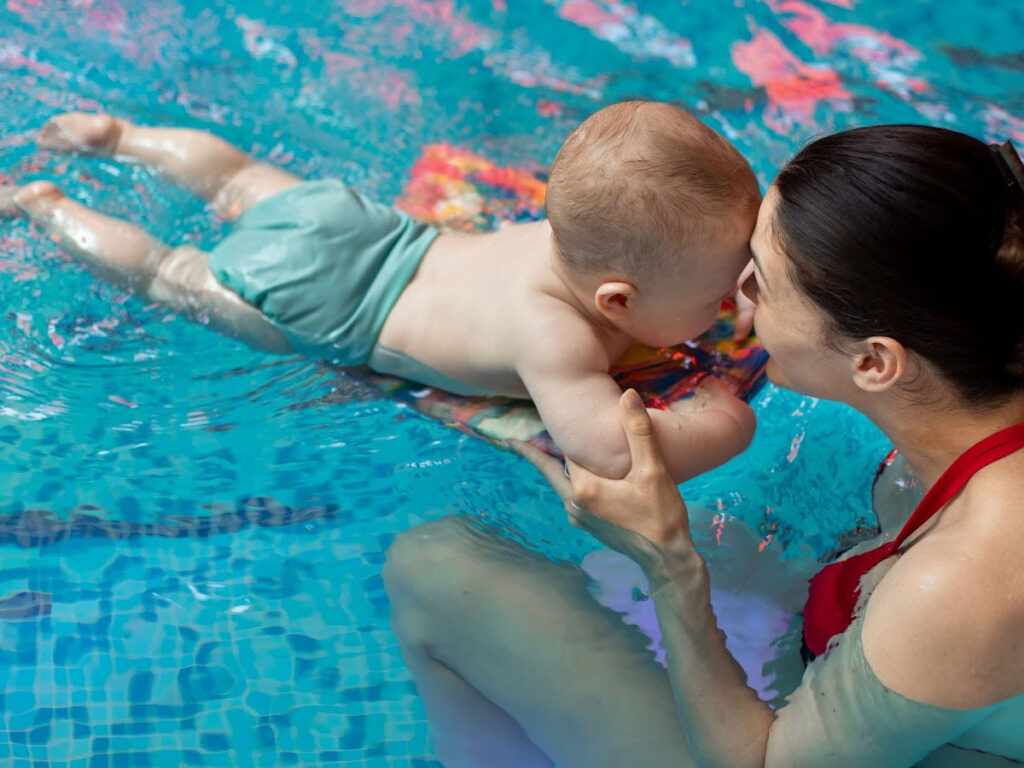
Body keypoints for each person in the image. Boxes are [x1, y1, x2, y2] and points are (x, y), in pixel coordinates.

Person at [382, 125, 1024, 767]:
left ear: (875, 363)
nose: (736, 294)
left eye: (763, 283)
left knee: (437, 568)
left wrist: (669, 566)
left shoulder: (961, 583)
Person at [0, 101, 760, 482]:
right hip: (324, 306)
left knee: (239, 179)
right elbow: (606, 450)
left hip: (358, 226)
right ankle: (48, 206)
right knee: (172, 273)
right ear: (617, 304)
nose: (732, 307)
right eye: (721, 293)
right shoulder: (555, 335)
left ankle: (124, 139)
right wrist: (722, 423)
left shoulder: (558, 237)